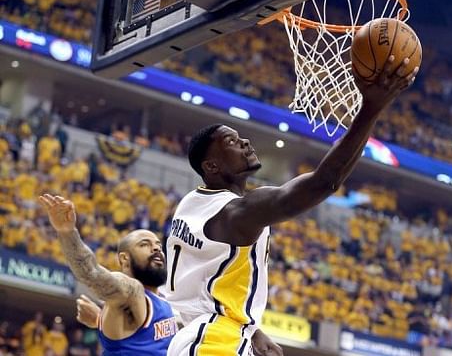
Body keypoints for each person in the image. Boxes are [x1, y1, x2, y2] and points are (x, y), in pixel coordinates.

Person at [165, 57, 419, 355]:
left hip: (200, 334)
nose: (245, 142)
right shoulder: (238, 211)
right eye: (231, 142)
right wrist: (372, 108)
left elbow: (201, 286)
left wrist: (250, 329)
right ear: (211, 166)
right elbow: (324, 182)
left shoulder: (191, 203)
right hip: (213, 341)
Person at [39, 194, 178, 355]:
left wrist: (100, 320)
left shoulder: (163, 300)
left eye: (158, 246)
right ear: (125, 259)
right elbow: (92, 273)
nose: (156, 249)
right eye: (144, 244)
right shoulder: (131, 291)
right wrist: (67, 233)